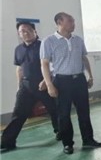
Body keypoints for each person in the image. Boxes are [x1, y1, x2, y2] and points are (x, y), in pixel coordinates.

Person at [41, 12, 101, 155]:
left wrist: (90, 76)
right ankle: (67, 143)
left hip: (79, 80)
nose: (73, 24)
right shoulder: (48, 41)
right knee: (63, 114)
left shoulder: (78, 40)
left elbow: (84, 58)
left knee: (84, 111)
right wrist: (49, 84)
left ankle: (88, 139)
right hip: (61, 81)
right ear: (59, 22)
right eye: (70, 21)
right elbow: (44, 64)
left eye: (73, 21)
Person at [1, 21, 60, 151]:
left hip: (43, 84)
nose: (25, 33)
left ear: (35, 31)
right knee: (18, 113)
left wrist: (46, 81)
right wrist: (19, 86)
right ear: (19, 34)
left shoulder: (43, 46)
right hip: (26, 86)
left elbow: (53, 65)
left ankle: (60, 132)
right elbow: (19, 69)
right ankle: (7, 142)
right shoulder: (18, 49)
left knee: (54, 110)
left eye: (28, 30)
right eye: (22, 31)